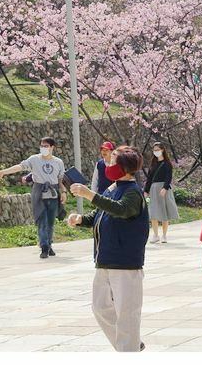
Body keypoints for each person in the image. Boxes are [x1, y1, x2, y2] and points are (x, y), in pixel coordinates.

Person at [67, 146, 149, 352]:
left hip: (126, 262)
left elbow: (121, 210)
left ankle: (128, 348)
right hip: (104, 259)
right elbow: (101, 213)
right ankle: (130, 344)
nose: (108, 165)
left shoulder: (133, 193)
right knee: (100, 308)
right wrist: (81, 220)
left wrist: (89, 195)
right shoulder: (112, 188)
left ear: (124, 167)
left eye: (112, 161)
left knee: (127, 313)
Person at [0, 137, 66, 259]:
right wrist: (3, 172)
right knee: (41, 221)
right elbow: (20, 166)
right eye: (42, 146)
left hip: (53, 194)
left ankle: (48, 244)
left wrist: (63, 192)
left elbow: (60, 180)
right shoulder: (34, 159)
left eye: (46, 146)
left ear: (52, 147)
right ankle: (44, 247)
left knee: (50, 222)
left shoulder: (58, 162)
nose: (43, 148)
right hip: (38, 193)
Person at [144, 142, 178, 244]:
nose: (156, 152)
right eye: (154, 150)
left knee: (164, 212)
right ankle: (155, 235)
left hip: (164, 189)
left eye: (157, 149)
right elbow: (149, 178)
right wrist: (146, 190)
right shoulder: (153, 164)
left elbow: (169, 177)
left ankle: (164, 235)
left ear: (162, 150)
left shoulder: (167, 164)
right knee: (153, 212)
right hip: (154, 189)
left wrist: (165, 188)